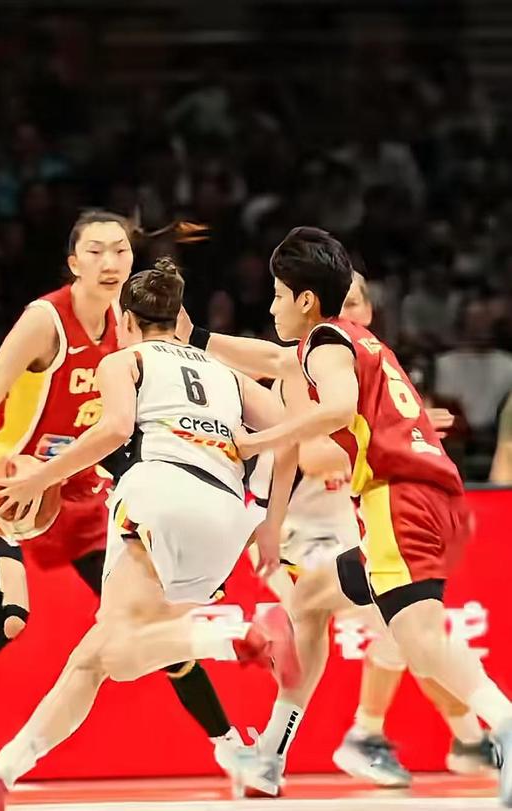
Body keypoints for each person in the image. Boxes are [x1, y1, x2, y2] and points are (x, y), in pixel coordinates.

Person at [0, 213, 238, 787]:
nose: (110, 262)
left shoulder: (134, 324)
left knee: (142, 627)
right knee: (4, 620)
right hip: (12, 480)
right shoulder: (45, 320)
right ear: (73, 262)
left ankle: (231, 748)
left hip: (82, 488)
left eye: (120, 251)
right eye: (96, 251)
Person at [181, 227, 512, 805]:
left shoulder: (327, 341)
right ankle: (271, 756)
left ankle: (499, 728)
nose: (272, 307)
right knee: (311, 602)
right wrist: (197, 337)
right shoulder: (357, 344)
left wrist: (257, 442)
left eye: (278, 296)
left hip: (398, 501)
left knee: (419, 639)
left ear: (307, 299)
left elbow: (335, 409)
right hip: (425, 501)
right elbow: (272, 358)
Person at [0, 256, 298, 811]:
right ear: (178, 318)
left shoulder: (124, 360)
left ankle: (234, 634)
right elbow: (288, 433)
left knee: (114, 653)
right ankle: (2, 774)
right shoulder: (226, 373)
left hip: (157, 495)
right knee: (99, 656)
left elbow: (115, 428)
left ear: (128, 322)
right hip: (227, 513)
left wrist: (42, 477)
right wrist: (267, 518)